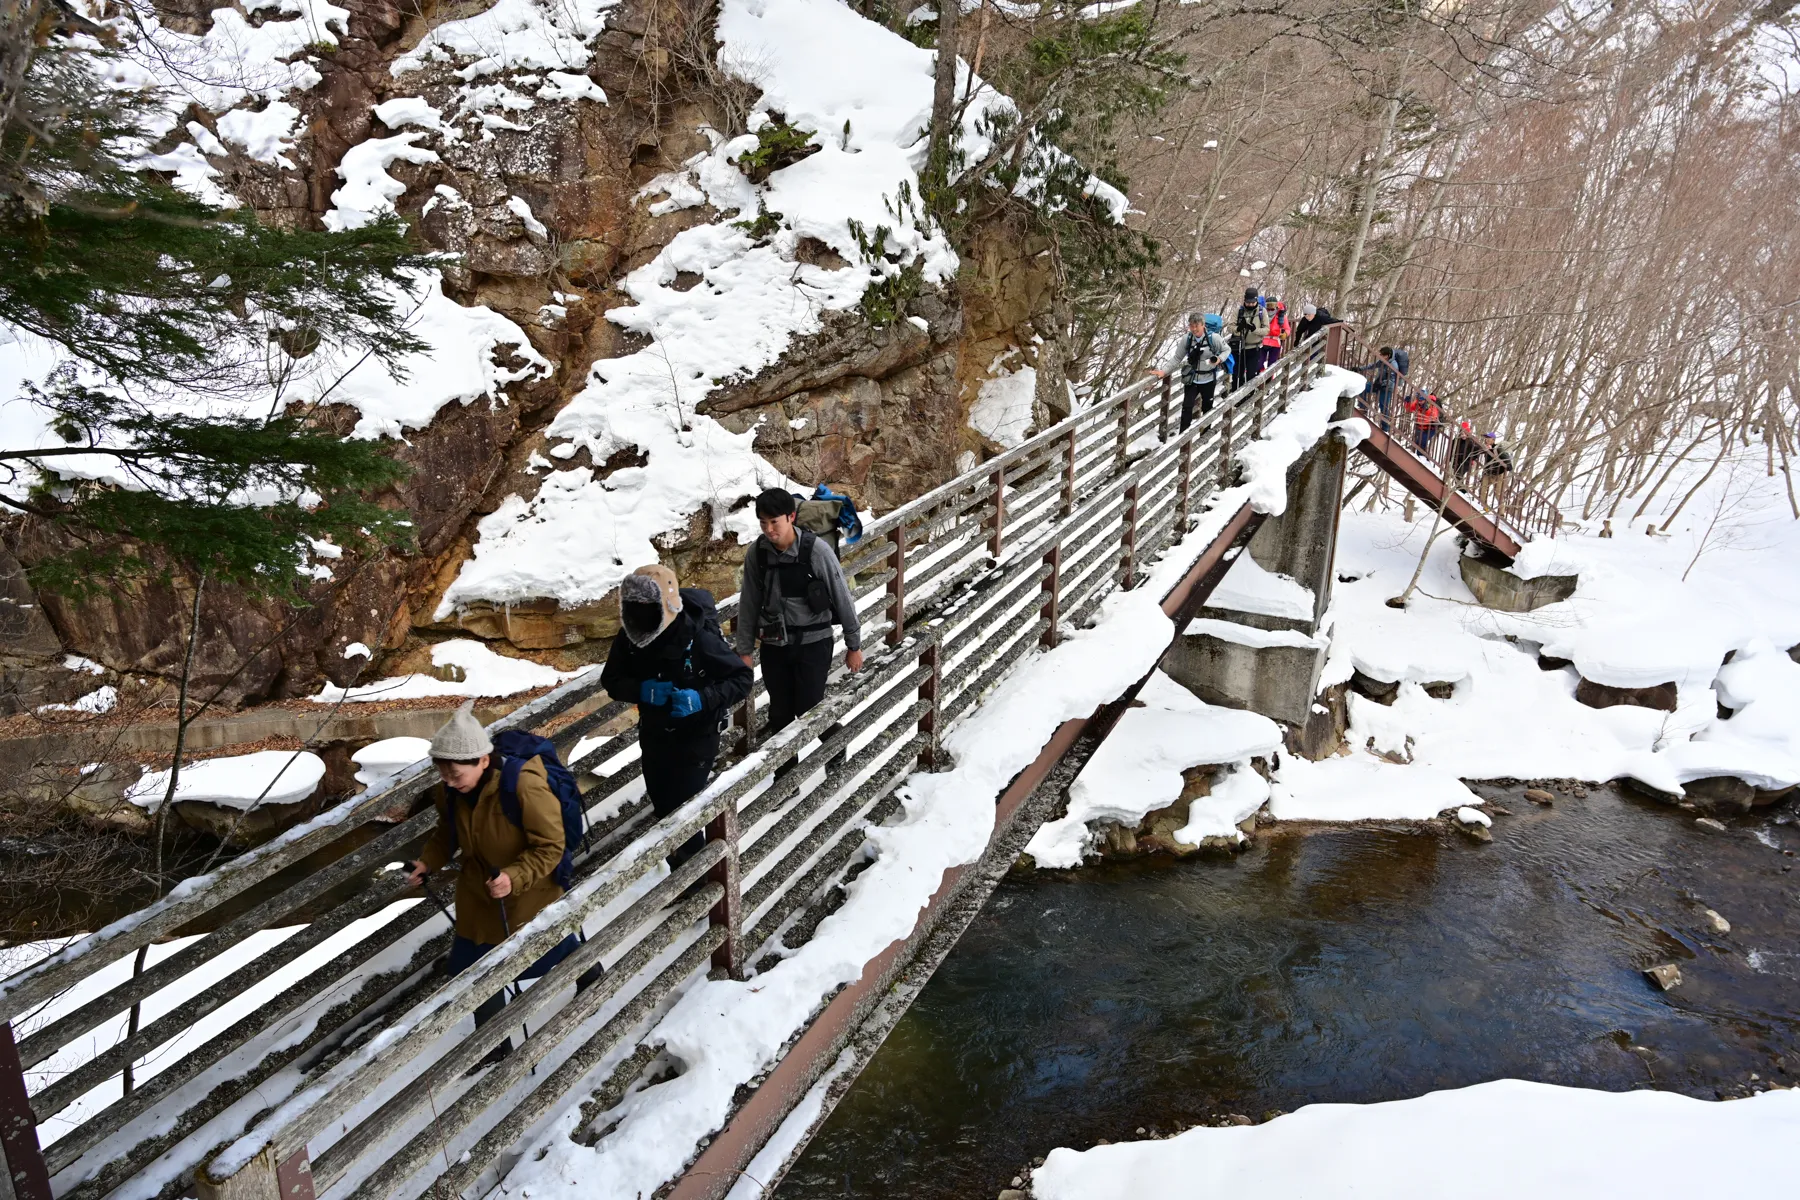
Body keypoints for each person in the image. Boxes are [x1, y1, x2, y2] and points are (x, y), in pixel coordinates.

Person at [407, 702, 595, 1066]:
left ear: (481, 760)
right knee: (475, 969)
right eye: (442, 775)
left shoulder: (523, 785)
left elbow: (552, 846)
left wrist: (514, 876)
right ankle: (493, 1044)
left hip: (529, 891)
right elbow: (447, 833)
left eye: (455, 775)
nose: (448, 782)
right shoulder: (450, 790)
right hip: (479, 895)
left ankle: (588, 970)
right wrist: (427, 862)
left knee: (548, 948)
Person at [602, 564, 753, 863]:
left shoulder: (697, 637)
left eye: (648, 605)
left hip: (698, 734)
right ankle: (683, 878)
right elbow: (612, 680)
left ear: (665, 603)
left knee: (682, 814)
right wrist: (641, 690)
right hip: (655, 734)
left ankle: (698, 885)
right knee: (663, 808)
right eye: (635, 606)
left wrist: (702, 698)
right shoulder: (630, 638)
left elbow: (741, 679)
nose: (641, 612)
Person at [735, 488, 864, 735]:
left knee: (810, 707)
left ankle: (836, 751)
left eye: (774, 522)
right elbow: (749, 602)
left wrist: (854, 646)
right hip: (775, 644)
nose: (769, 529)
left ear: (791, 517)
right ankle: (785, 773)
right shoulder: (758, 553)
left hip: (813, 643)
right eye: (763, 523)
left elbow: (842, 596)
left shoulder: (816, 551)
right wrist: (744, 651)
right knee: (780, 713)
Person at [1149, 311, 1229, 431]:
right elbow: (1177, 358)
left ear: (1203, 325)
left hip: (1208, 378)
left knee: (1207, 407)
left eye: (1197, 325)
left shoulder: (1214, 338)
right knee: (1187, 407)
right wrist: (1163, 371)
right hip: (1192, 378)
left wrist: (1219, 359)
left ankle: (1205, 436)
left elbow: (1226, 350)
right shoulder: (1187, 339)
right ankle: (1183, 437)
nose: (1194, 329)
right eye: (1191, 325)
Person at [1229, 287, 1268, 390]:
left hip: (1254, 348)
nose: (1250, 304)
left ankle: (1249, 396)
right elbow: (1230, 327)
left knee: (1251, 375)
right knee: (1237, 375)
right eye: (1248, 302)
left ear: (1256, 301)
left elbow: (1266, 330)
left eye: (1252, 302)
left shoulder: (1261, 311)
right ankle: (1235, 398)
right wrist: (1239, 328)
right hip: (1239, 348)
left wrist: (1255, 330)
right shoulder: (1239, 311)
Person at [1356, 346, 1400, 429]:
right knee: (1362, 387)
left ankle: (1385, 427)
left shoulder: (1393, 365)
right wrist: (1360, 368)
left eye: (1381, 355)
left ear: (1387, 356)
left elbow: (1391, 381)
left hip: (1386, 389)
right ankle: (1363, 408)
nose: (1380, 356)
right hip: (1378, 384)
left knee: (1383, 407)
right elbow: (1372, 365)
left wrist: (1381, 384)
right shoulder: (1382, 361)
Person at [1260, 299, 1289, 374]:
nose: (1270, 309)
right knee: (1259, 363)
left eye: (1272, 306)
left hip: (1275, 342)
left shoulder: (1281, 316)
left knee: (1272, 364)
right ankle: (1261, 377)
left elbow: (1287, 328)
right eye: (1268, 306)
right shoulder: (1262, 314)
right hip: (1262, 341)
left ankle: (1269, 381)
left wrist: (1285, 334)